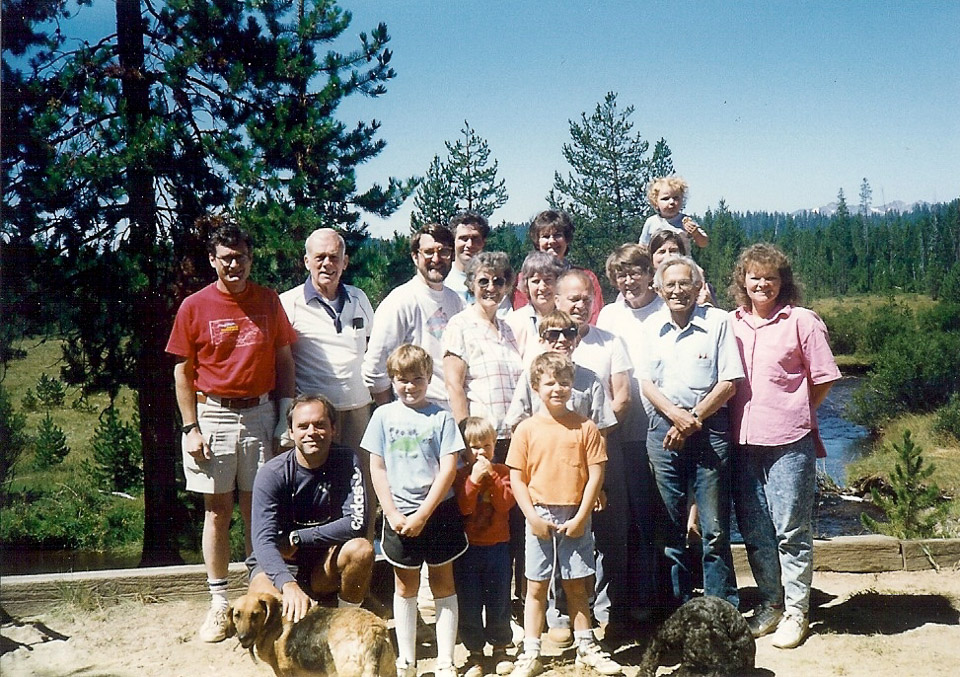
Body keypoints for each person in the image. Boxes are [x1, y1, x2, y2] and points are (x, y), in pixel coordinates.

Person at [166, 218, 297, 642]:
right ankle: (220, 603)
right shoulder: (194, 306)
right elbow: (183, 372)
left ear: (250, 257)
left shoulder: (268, 300)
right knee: (217, 511)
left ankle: (258, 599)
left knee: (257, 510)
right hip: (214, 416)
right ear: (212, 260)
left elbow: (285, 362)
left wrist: (284, 415)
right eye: (225, 259)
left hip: (261, 413)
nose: (233, 265)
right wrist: (191, 427)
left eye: (240, 257)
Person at [728, 243, 841, 650]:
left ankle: (797, 611)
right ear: (742, 281)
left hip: (789, 441)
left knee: (791, 529)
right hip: (742, 441)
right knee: (756, 530)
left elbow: (825, 376)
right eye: (754, 277)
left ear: (783, 282)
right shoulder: (731, 323)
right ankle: (771, 603)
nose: (762, 284)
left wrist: (799, 410)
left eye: (770, 278)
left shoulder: (802, 321)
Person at [506, 352, 621, 677]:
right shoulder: (526, 429)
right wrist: (531, 516)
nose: (558, 388)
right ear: (535, 386)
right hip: (539, 515)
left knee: (576, 586)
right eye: (550, 383)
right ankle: (531, 652)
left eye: (565, 382)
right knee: (536, 587)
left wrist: (583, 515)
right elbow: (517, 477)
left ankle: (587, 647)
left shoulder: (586, 427)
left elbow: (596, 474)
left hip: (575, 515)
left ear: (574, 386)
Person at [639, 256, 743, 611]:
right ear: (659, 289)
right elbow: (646, 383)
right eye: (670, 285)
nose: (678, 290)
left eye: (685, 283)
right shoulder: (651, 326)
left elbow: (729, 382)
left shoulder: (718, 322)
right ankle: (675, 608)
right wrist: (675, 417)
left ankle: (720, 607)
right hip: (664, 431)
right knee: (669, 526)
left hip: (709, 430)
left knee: (713, 529)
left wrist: (693, 418)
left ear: (699, 287)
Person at [362, 344, 468, 677]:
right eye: (402, 380)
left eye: (417, 379)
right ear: (392, 380)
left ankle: (446, 660)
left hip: (437, 512)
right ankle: (406, 660)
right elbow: (377, 467)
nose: (409, 386)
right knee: (405, 586)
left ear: (428, 378)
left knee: (443, 584)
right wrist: (392, 513)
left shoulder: (441, 416)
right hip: (399, 515)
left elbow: (449, 467)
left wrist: (424, 513)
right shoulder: (382, 416)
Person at [553, 267, 632, 634]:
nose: (581, 305)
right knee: (560, 527)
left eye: (587, 298)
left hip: (600, 449)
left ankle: (604, 609)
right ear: (557, 300)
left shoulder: (610, 341)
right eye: (573, 298)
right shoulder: (547, 343)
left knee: (604, 532)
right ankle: (563, 614)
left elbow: (620, 400)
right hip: (555, 459)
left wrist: (589, 444)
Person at [247, 395, 374, 622]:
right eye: (303, 426)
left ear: (334, 429)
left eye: (320, 425)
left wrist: (298, 537)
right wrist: (287, 584)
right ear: (291, 431)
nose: (311, 432)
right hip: (279, 564)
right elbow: (263, 542)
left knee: (361, 550)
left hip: (323, 564)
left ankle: (346, 622)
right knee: (260, 605)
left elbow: (356, 523)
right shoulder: (272, 473)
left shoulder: (347, 460)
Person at [595, 244, 663, 623]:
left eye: (635, 272)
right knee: (625, 521)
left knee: (655, 518)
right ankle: (626, 602)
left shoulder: (664, 309)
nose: (628, 280)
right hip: (620, 433)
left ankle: (656, 599)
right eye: (621, 274)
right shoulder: (609, 315)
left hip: (660, 429)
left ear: (648, 273)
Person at [279, 228, 375, 455]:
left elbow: (372, 346)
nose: (327, 264)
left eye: (334, 257)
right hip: (314, 414)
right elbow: (280, 362)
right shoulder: (288, 303)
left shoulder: (359, 297)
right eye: (320, 257)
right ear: (306, 261)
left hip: (358, 409)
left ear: (345, 262)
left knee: (360, 480)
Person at [362, 223, 464, 408]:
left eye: (444, 252)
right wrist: (393, 411)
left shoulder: (454, 300)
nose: (436, 258)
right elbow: (374, 368)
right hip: (415, 410)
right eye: (428, 252)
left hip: (453, 409)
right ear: (415, 257)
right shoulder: (400, 301)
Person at [442, 251, 523, 460]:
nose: (491, 288)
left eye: (498, 281)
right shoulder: (460, 325)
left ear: (507, 286)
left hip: (513, 437)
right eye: (483, 281)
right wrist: (466, 439)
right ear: (471, 285)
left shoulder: (508, 329)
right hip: (482, 440)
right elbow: (454, 386)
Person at [453, 417, 516, 677]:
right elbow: (464, 507)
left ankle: (500, 646)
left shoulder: (502, 471)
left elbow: (505, 504)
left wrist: (491, 476)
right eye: (475, 447)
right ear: (464, 451)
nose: (482, 453)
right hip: (468, 549)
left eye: (487, 446)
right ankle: (475, 653)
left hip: (498, 546)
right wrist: (475, 481)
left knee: (499, 598)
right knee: (469, 600)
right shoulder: (460, 475)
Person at [512, 210, 604, 324]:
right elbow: (521, 317)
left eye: (557, 235)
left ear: (567, 239)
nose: (552, 241)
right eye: (545, 236)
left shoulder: (586, 277)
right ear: (537, 242)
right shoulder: (524, 278)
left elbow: (595, 318)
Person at [505, 251, 565, 366]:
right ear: (526, 285)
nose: (542, 287)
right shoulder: (514, 322)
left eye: (548, 280)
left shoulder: (567, 319)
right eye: (536, 281)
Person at [638, 176, 709, 251]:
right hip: (659, 261)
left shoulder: (686, 221)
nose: (672, 202)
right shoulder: (651, 222)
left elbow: (703, 243)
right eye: (665, 199)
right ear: (655, 202)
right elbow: (643, 247)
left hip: (682, 261)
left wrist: (696, 233)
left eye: (676, 198)